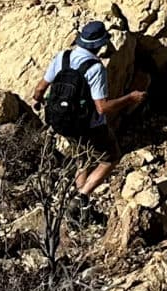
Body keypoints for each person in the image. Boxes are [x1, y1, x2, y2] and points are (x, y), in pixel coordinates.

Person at [26, 18, 144, 194]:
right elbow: (102, 108)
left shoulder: (62, 57)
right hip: (90, 127)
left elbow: (39, 88)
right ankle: (82, 196)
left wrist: (38, 101)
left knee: (81, 157)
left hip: (62, 121)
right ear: (100, 44)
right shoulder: (95, 69)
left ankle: (77, 193)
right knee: (110, 159)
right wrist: (130, 98)